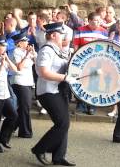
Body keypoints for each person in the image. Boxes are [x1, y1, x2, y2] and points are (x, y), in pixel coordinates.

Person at [31, 22, 75, 166]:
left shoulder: (57, 49)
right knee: (62, 124)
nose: (63, 36)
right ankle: (40, 149)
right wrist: (65, 77)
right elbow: (44, 72)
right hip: (48, 92)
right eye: (61, 34)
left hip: (58, 90)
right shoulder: (47, 50)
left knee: (64, 123)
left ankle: (59, 156)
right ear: (53, 35)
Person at [0, 35, 18, 153]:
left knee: (13, 115)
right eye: (2, 45)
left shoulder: (3, 57)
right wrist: (1, 64)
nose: (5, 47)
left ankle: (3, 138)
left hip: (4, 94)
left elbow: (15, 69)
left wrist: (7, 60)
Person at [11, 30, 37, 138]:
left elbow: (36, 63)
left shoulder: (26, 51)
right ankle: (25, 132)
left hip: (27, 82)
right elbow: (19, 67)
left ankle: (11, 126)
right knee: (25, 106)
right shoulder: (16, 51)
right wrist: (27, 55)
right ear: (19, 42)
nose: (27, 43)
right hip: (19, 82)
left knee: (24, 106)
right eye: (25, 41)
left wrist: (33, 54)